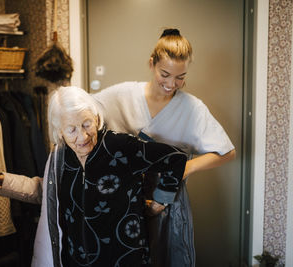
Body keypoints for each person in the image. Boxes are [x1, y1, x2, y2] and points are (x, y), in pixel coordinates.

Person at [0, 86, 188, 267]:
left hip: (125, 257)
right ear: (59, 131)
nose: (82, 137)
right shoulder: (60, 156)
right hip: (76, 259)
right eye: (71, 129)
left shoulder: (120, 146)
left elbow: (176, 158)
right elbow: (49, 193)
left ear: (97, 119)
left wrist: (161, 200)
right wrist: (7, 184)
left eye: (86, 124)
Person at [92, 28, 236, 267]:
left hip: (168, 202)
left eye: (181, 77)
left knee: (165, 257)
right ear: (151, 63)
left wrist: (183, 168)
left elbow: (227, 153)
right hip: (123, 195)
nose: (172, 84)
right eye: (165, 74)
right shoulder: (122, 94)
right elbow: (85, 111)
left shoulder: (192, 108)